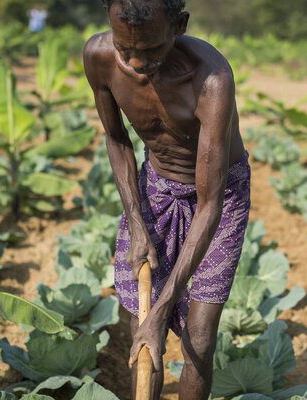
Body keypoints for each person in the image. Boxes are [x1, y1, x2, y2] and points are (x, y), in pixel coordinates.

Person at [83, 1, 250, 399]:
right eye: (127, 50)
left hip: (219, 195)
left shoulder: (211, 79)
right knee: (143, 331)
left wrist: (162, 313)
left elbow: (209, 205)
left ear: (179, 25)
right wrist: (137, 223)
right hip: (155, 186)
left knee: (199, 338)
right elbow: (117, 138)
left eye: (152, 51)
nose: (137, 63)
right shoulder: (99, 58)